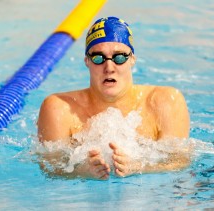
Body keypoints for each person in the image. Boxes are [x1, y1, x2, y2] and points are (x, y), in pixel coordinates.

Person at [37, 16, 190, 180]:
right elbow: (50, 168)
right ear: (87, 61)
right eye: (98, 58)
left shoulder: (165, 101)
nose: (109, 68)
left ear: (132, 60)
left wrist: (139, 166)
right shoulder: (59, 108)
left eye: (119, 57)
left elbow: (180, 161)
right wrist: (82, 171)